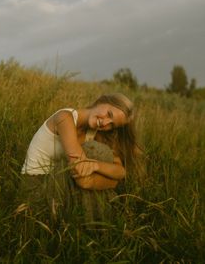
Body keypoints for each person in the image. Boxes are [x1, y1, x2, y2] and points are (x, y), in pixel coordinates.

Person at [20, 93, 144, 223]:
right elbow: (82, 177)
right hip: (36, 185)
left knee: (101, 155)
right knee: (96, 153)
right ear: (101, 101)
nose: (105, 123)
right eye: (109, 114)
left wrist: (96, 166)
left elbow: (120, 171)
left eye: (112, 125)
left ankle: (90, 227)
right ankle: (95, 227)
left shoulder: (96, 132)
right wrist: (109, 182)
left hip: (59, 182)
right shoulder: (65, 117)